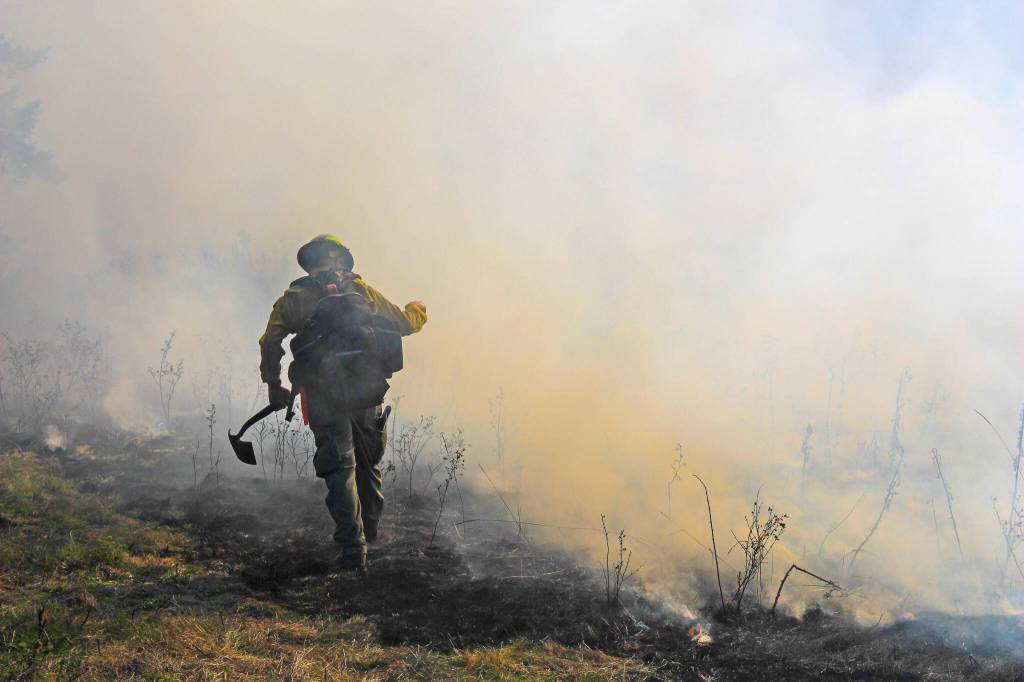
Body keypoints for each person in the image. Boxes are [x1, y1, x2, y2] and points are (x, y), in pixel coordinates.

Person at [259, 235, 427, 574]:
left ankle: (353, 548)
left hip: (322, 394)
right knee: (368, 463)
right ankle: (373, 530)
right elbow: (404, 324)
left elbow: (270, 342)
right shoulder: (361, 291)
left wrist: (274, 384)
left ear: (308, 263)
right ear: (339, 259)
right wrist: (418, 310)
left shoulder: (293, 299)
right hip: (366, 392)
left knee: (340, 468)